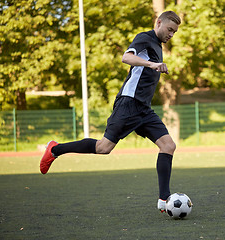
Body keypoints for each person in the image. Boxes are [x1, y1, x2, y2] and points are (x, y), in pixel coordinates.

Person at [40, 11, 181, 213]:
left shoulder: (158, 46)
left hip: (144, 109)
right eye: (169, 29)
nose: (171, 35)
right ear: (158, 23)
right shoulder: (145, 38)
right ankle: (55, 149)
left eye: (174, 32)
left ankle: (163, 199)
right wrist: (152, 64)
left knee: (168, 145)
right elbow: (126, 57)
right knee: (103, 148)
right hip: (129, 104)